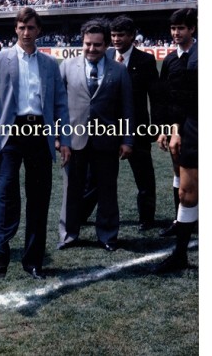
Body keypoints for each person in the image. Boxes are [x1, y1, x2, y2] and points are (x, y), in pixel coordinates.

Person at [0, 7, 71, 279]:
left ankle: (33, 261)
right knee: (6, 193)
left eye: (31, 28)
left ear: (38, 30)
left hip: (40, 134)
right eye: (21, 28)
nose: (26, 33)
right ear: (15, 29)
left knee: (39, 199)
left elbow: (61, 106)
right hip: (10, 135)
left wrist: (64, 139)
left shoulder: (49, 64)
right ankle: (0, 252)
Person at [57, 18, 134, 251]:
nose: (92, 49)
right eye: (88, 44)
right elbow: (57, 105)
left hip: (107, 141)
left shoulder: (119, 71)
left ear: (107, 45)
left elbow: (127, 108)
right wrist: (59, 138)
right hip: (74, 140)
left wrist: (127, 140)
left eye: (97, 45)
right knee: (71, 190)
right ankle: (68, 235)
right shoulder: (67, 67)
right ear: (82, 42)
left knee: (107, 190)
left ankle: (108, 236)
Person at [79, 16, 159, 231]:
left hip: (138, 128)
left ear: (132, 36)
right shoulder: (103, 57)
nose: (116, 39)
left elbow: (155, 97)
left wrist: (158, 127)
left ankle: (146, 218)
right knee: (94, 177)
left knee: (144, 177)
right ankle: (81, 214)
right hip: (107, 129)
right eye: (113, 35)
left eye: (120, 35)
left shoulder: (146, 61)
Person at [154, 8, 198, 273]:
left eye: (181, 28)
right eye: (173, 28)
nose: (176, 33)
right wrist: (171, 129)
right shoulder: (171, 61)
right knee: (186, 190)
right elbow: (169, 99)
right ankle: (180, 253)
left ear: (192, 29)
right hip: (189, 126)